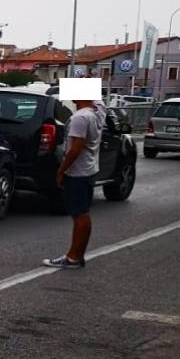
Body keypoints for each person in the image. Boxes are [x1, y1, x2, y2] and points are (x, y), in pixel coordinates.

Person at [43, 98, 106, 268]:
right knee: (82, 212)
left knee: (79, 214)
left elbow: (76, 148)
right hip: (89, 169)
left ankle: (74, 257)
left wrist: (61, 170)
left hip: (78, 172)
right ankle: (77, 255)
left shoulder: (80, 118)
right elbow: (100, 102)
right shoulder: (97, 113)